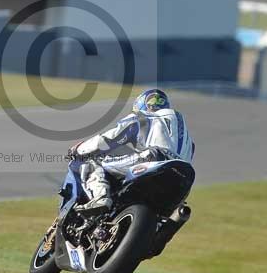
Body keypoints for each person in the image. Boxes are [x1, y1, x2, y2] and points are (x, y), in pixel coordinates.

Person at [67, 89, 195, 213]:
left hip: (155, 157)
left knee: (93, 162)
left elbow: (108, 140)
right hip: (184, 175)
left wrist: (79, 149)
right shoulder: (185, 135)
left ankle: (101, 198)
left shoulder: (143, 116)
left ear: (141, 105)